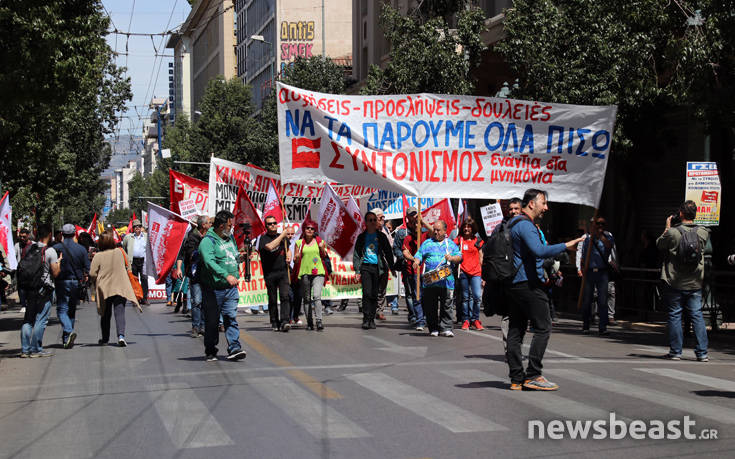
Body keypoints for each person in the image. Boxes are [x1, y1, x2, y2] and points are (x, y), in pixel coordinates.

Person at [506, 189, 584, 390]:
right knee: (543, 326)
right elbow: (539, 251)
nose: (546, 207)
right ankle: (533, 375)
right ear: (532, 204)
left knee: (516, 330)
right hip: (529, 284)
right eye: (544, 203)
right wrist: (566, 245)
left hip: (515, 284)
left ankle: (516, 378)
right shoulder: (525, 225)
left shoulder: (513, 223)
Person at [657, 200, 711, 361]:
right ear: (695, 214)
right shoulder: (703, 232)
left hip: (675, 281)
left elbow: (659, 244)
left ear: (680, 213)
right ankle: (702, 353)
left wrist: (667, 225)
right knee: (697, 315)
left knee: (675, 315)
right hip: (694, 281)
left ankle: (676, 352)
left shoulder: (673, 232)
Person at [198, 210, 247, 361]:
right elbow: (209, 262)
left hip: (230, 289)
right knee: (212, 322)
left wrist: (241, 257)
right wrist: (226, 275)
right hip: (213, 289)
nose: (231, 228)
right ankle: (211, 349)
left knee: (230, 318)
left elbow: (231, 257)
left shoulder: (230, 238)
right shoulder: (207, 242)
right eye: (229, 225)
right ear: (221, 226)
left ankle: (234, 347)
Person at [89, 231, 141, 347]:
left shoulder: (98, 256)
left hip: (105, 289)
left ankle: (105, 339)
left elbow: (92, 273)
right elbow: (129, 265)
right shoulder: (120, 252)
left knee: (105, 314)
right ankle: (121, 337)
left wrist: (96, 280)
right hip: (121, 287)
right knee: (120, 312)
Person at [413, 220, 462, 337]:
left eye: (438, 230)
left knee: (447, 305)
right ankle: (433, 328)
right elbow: (419, 254)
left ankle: (446, 328)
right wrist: (416, 261)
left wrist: (452, 258)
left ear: (445, 231)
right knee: (431, 306)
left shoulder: (450, 244)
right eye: (434, 229)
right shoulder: (427, 243)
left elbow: (459, 257)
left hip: (447, 281)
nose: (435, 232)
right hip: (430, 281)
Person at [19, 224, 60, 357]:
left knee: (28, 320)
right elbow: (55, 273)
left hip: (29, 287)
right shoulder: (50, 251)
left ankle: (25, 350)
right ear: (49, 234)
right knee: (41, 319)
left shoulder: (30, 248)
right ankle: (36, 349)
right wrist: (59, 262)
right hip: (44, 289)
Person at [354, 211, 396, 329]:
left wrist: (392, 268)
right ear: (366, 223)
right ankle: (366, 319)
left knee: (374, 294)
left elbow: (388, 252)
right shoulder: (362, 237)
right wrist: (357, 270)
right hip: (365, 267)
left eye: (374, 220)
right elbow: (357, 254)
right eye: (370, 220)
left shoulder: (381, 236)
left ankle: (372, 319)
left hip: (378, 268)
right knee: (366, 293)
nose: (373, 222)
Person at [53, 223, 90, 349]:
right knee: (71, 310)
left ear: (62, 234)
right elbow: (88, 268)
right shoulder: (81, 249)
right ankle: (66, 339)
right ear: (74, 234)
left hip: (61, 282)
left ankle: (68, 331)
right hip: (76, 282)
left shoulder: (56, 248)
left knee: (61, 309)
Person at [577, 216, 616, 334]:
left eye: (602, 224)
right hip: (589, 272)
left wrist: (600, 236)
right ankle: (585, 325)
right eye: (597, 224)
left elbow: (609, 247)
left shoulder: (608, 237)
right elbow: (583, 256)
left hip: (602, 272)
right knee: (587, 300)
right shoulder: (587, 239)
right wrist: (581, 269)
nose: (600, 226)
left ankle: (602, 327)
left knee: (602, 301)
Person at [395, 206, 432, 331]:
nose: (416, 224)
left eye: (418, 222)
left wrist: (423, 221)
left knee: (427, 296)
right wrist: (413, 260)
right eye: (415, 222)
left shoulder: (426, 236)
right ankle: (419, 320)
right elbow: (404, 251)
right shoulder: (406, 236)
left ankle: (426, 318)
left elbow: (435, 232)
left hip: (427, 271)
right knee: (416, 296)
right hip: (413, 271)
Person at [174, 215, 210, 337]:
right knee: (197, 301)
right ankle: (196, 326)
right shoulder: (192, 237)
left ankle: (204, 326)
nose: (211, 225)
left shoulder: (211, 236)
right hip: (196, 274)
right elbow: (187, 253)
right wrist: (179, 268)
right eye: (209, 223)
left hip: (208, 273)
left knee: (206, 301)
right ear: (204, 225)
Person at [258, 215, 292, 332]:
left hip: (282, 271)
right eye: (270, 224)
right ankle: (274, 321)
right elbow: (270, 246)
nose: (273, 225)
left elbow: (288, 249)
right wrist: (283, 235)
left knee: (285, 296)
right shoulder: (263, 239)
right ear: (266, 226)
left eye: (274, 223)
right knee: (272, 299)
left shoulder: (282, 237)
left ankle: (285, 321)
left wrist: (289, 256)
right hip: (270, 273)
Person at [293, 218, 328, 331]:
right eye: (307, 228)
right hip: (305, 273)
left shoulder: (320, 241)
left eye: (312, 229)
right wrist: (296, 257)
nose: (309, 230)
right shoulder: (299, 243)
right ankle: (309, 322)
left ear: (314, 231)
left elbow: (324, 255)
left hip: (318, 272)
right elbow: (296, 259)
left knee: (317, 296)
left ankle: (319, 321)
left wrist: (322, 249)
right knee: (307, 298)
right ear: (304, 229)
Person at [455, 216, 484, 331]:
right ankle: (466, 320)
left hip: (476, 272)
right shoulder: (459, 240)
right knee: (466, 298)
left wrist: (482, 272)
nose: (467, 229)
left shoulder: (478, 241)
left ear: (473, 228)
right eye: (465, 227)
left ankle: (475, 319)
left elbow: (481, 256)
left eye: (469, 227)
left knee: (477, 297)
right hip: (463, 272)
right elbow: (449, 246)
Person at [371, 208, 393, 320]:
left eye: (383, 218)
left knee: (382, 289)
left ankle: (379, 310)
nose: (383, 220)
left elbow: (390, 247)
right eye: (380, 218)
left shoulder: (385, 230)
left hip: (383, 264)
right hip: (371, 264)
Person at [122, 219, 148, 304]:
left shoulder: (146, 236)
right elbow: (124, 248)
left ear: (141, 227)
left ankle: (144, 298)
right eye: (135, 226)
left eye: (139, 226)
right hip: (133, 261)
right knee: (134, 280)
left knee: (144, 279)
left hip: (143, 261)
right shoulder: (128, 237)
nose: (137, 228)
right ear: (133, 228)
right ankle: (136, 298)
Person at [14, 228, 33, 310]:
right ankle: (23, 305)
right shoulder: (17, 245)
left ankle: (30, 302)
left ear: (28, 236)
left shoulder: (34, 245)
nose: (22, 238)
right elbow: (14, 255)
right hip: (21, 270)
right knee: (21, 288)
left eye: (24, 237)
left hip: (31, 270)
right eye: (20, 237)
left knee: (30, 287)